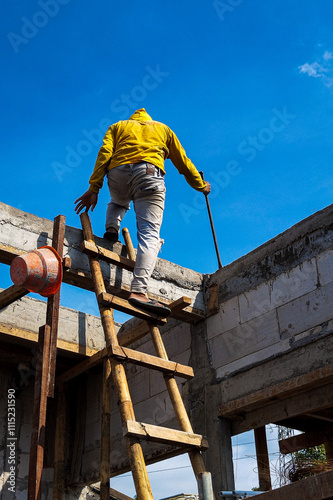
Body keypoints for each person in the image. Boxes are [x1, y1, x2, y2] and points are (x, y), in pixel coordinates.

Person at [74, 108, 211, 318]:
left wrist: (94, 188)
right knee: (149, 234)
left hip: (117, 173)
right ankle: (138, 290)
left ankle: (112, 227)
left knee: (119, 200)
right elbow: (183, 162)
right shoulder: (162, 129)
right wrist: (201, 185)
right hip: (149, 172)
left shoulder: (118, 126)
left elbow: (104, 154)